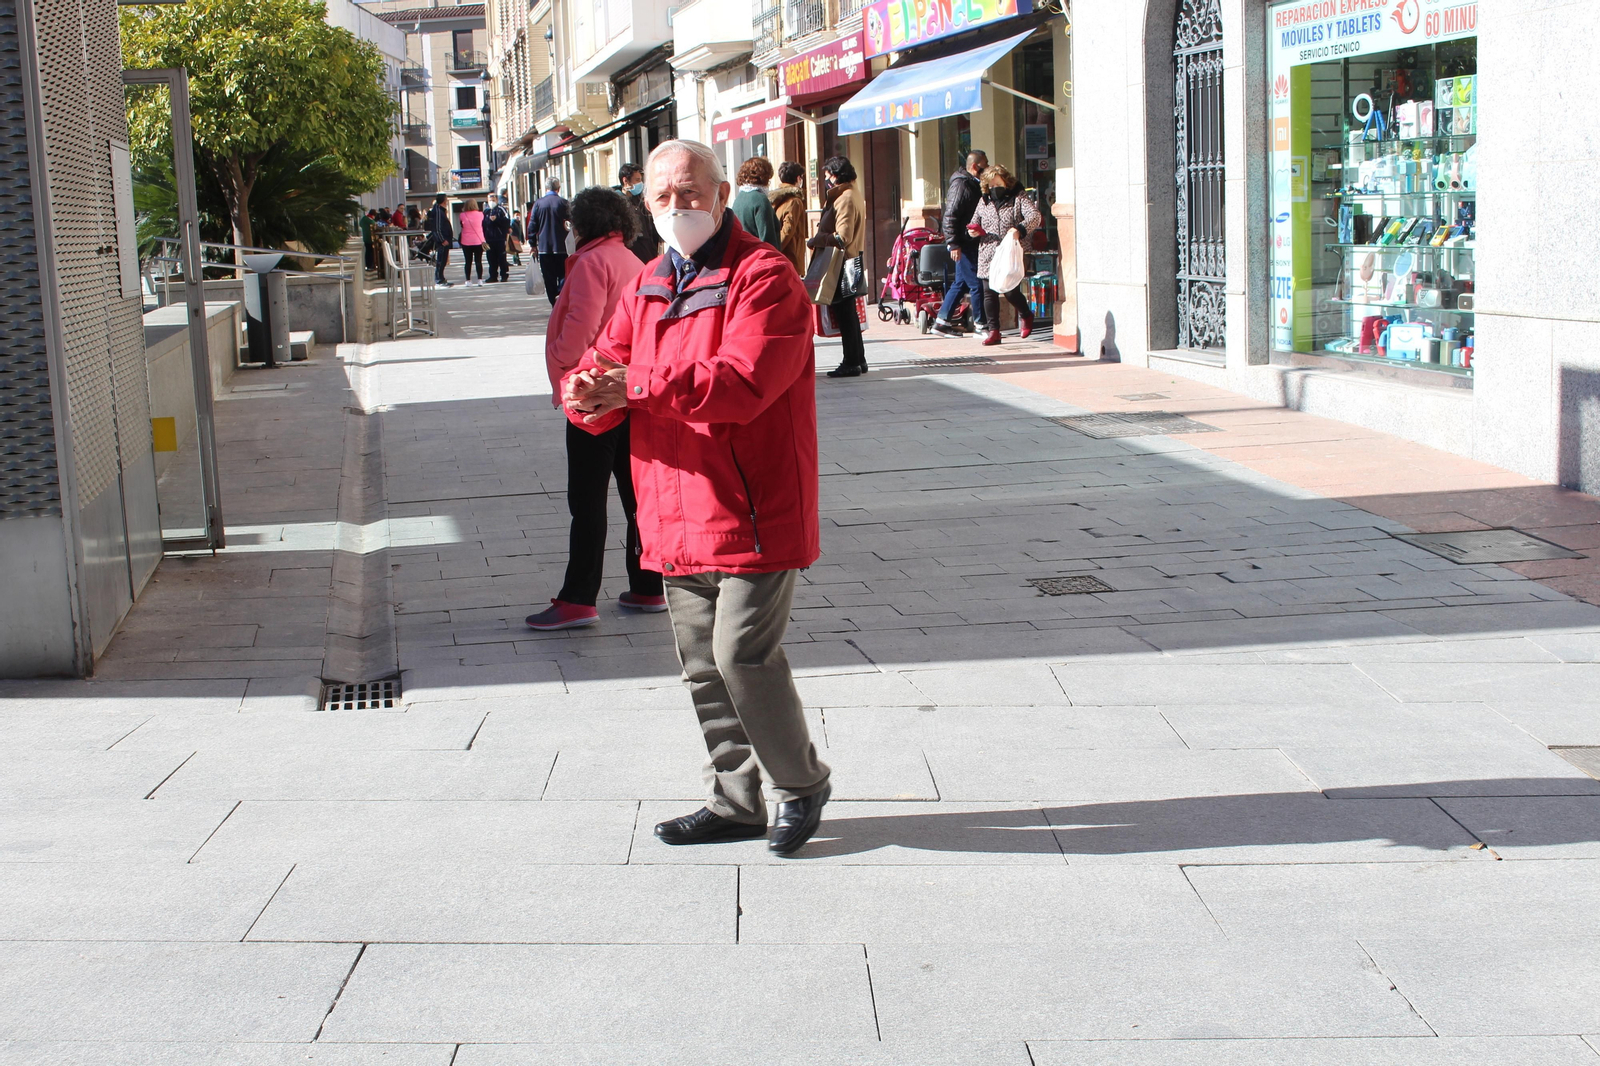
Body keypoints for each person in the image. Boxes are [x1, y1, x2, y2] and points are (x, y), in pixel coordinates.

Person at [561, 138, 831, 856]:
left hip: (753, 507)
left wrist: (633, 387)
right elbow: (606, 361)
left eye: (690, 192)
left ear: (719, 195)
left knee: (741, 655)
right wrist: (585, 392)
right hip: (672, 509)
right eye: (663, 196)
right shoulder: (649, 282)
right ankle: (735, 799)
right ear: (645, 205)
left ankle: (800, 784)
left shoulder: (764, 276)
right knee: (703, 667)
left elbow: (743, 382)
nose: (678, 206)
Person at [525, 186, 664, 631]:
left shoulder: (590, 263)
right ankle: (648, 585)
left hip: (592, 394)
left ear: (582, 224)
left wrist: (563, 365)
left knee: (586, 501)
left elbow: (580, 327)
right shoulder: (635, 262)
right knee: (635, 496)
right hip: (630, 392)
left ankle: (578, 598)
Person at [808, 154, 866, 378]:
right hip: (850, 259)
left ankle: (851, 361)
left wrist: (817, 240)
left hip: (844, 262)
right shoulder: (851, 193)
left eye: (828, 175)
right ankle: (858, 359)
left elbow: (843, 236)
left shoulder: (845, 198)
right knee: (848, 313)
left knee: (845, 314)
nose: (826, 180)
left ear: (836, 175)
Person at [972, 162, 1042, 346]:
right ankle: (994, 331)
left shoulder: (1018, 197)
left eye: (998, 184)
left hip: (1010, 251)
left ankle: (1026, 314)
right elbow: (974, 221)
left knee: (1010, 291)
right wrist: (972, 231)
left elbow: (1035, 216)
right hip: (988, 250)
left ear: (1006, 182)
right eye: (991, 185)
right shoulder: (983, 201)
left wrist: (1020, 229)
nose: (995, 189)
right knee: (988, 292)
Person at [932, 149, 988, 337]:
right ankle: (980, 325)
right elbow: (950, 215)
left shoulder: (972, 184)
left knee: (961, 283)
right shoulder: (962, 185)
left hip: (968, 240)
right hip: (963, 243)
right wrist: (953, 244)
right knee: (977, 284)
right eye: (985, 165)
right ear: (975, 167)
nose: (987, 168)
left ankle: (941, 322)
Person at [530, 177, 572, 303]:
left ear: (546, 188)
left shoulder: (538, 204)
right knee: (564, 275)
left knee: (549, 278)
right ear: (558, 188)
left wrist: (533, 244)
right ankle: (561, 298)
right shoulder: (564, 203)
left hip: (545, 248)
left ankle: (554, 302)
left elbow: (532, 226)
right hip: (562, 247)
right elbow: (572, 223)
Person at [730, 157, 781, 248]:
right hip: (760, 254)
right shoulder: (760, 200)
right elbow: (767, 239)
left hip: (744, 253)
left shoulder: (738, 199)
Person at [769, 161, 807, 274]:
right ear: (798, 178)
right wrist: (776, 249)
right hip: (791, 257)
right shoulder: (795, 201)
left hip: (781, 257)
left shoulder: (776, 198)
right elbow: (788, 229)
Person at [618, 162, 658, 262]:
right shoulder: (618, 204)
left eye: (640, 180)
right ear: (625, 180)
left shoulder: (640, 201)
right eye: (637, 180)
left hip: (648, 252)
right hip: (633, 256)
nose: (640, 183)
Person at [424, 193, 454, 286]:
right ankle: (439, 278)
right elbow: (437, 228)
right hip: (442, 240)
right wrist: (442, 239)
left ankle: (441, 277)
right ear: (444, 201)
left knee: (443, 260)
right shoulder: (438, 211)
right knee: (441, 260)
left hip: (445, 238)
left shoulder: (440, 211)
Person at [482, 192, 512, 282]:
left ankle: (504, 275)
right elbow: (483, 224)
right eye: (490, 200)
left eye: (493, 200)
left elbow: (507, 222)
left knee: (501, 257)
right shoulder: (486, 211)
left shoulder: (501, 210)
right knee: (491, 258)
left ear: (497, 200)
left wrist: (497, 220)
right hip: (489, 239)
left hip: (500, 238)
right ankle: (493, 276)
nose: (491, 202)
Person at [457, 198, 486, 286]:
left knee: (468, 262)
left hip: (466, 241)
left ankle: (468, 280)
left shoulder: (462, 215)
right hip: (478, 240)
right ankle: (480, 280)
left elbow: (461, 225)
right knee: (478, 261)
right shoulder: (481, 214)